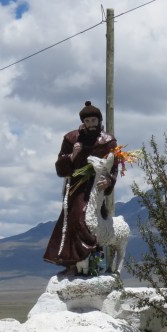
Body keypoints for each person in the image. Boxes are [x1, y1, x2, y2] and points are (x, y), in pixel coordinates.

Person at [43, 101, 119, 275]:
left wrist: (108, 181)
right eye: (88, 121)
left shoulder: (108, 141)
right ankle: (73, 264)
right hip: (76, 185)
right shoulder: (71, 138)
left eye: (94, 121)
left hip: (95, 187)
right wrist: (72, 155)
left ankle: (91, 260)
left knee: (89, 218)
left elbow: (113, 167)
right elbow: (60, 167)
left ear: (99, 121)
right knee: (73, 219)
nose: (91, 124)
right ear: (83, 122)